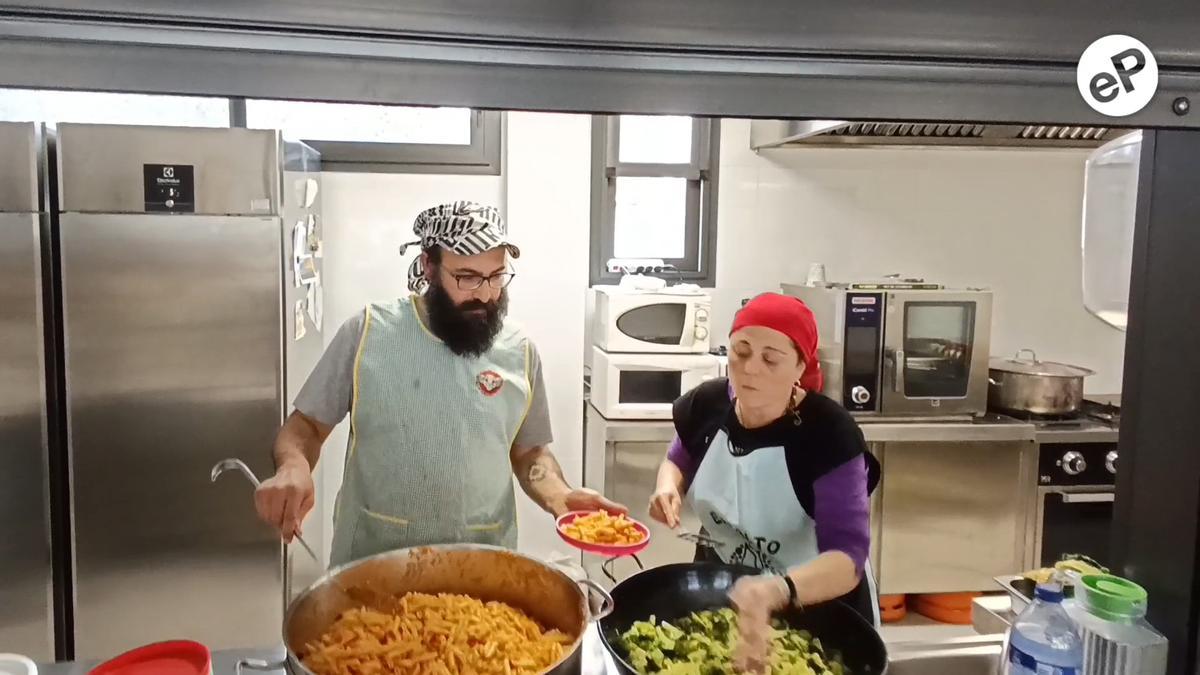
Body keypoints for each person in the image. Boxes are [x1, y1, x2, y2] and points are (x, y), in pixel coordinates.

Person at [255, 201, 624, 566]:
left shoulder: (520, 351)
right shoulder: (368, 333)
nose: (485, 293)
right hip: (373, 564)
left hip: (482, 566)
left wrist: (560, 496)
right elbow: (305, 428)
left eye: (496, 276)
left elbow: (529, 453)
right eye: (466, 277)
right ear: (428, 267)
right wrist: (293, 467)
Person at [647, 292, 880, 672]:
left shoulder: (829, 434)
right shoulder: (709, 404)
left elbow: (847, 560)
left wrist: (777, 590)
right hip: (726, 592)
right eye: (741, 351)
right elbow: (678, 458)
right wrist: (668, 487)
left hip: (817, 609)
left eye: (771, 358)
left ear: (800, 367)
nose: (750, 368)